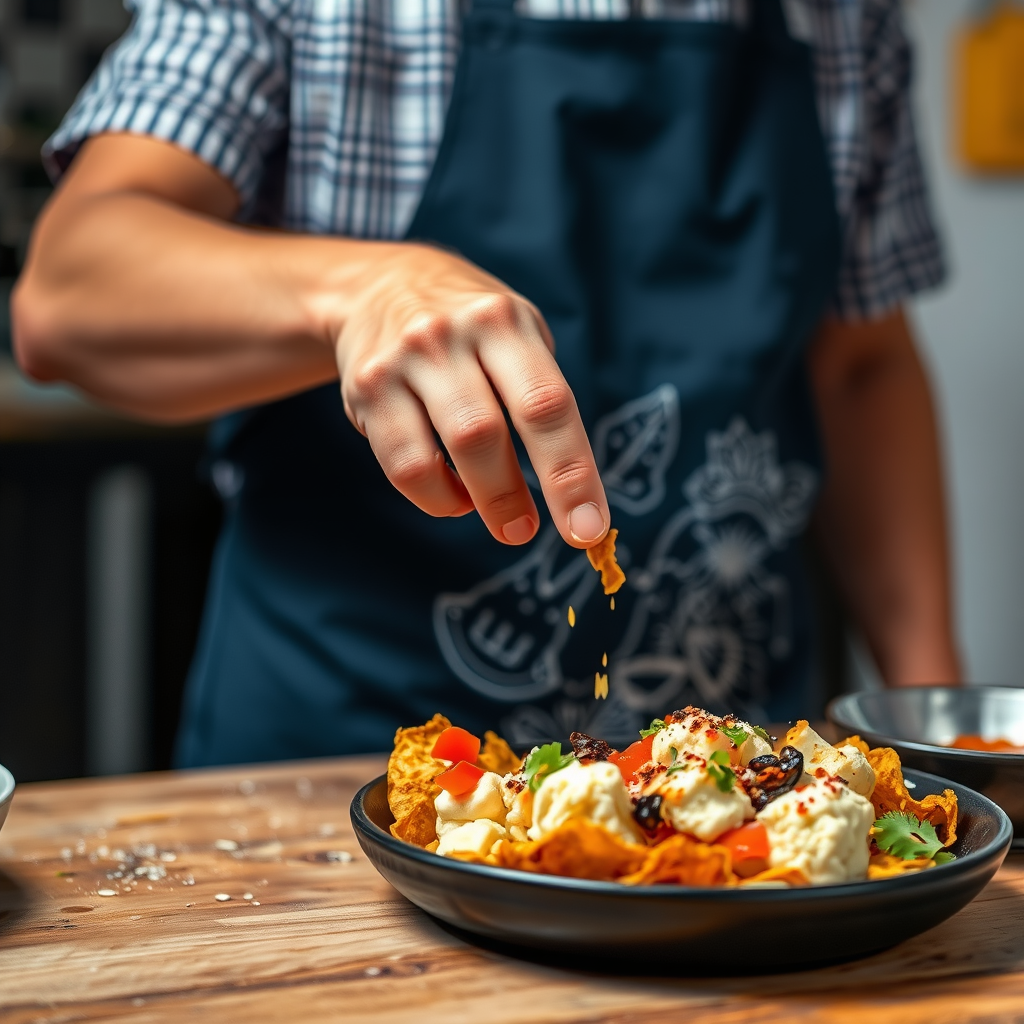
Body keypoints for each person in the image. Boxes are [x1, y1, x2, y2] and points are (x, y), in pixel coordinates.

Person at [12, 0, 962, 765]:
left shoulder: (848, 22)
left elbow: (859, 366)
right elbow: (64, 296)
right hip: (335, 760)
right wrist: (361, 290)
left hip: (735, 770)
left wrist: (941, 730)